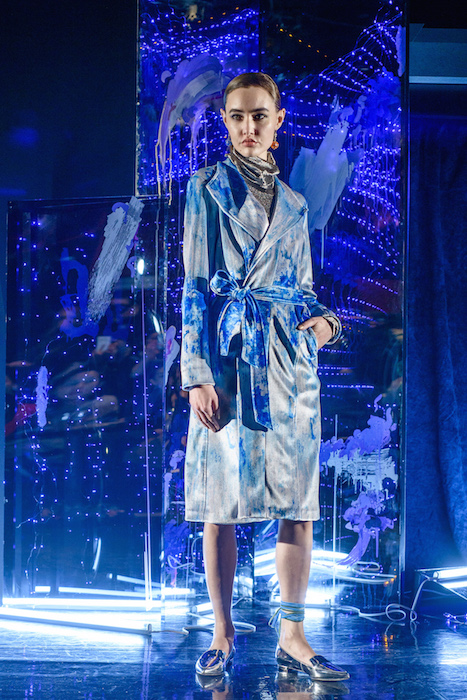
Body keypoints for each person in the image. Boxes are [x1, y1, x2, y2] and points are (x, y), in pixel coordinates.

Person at [181, 72, 349, 682]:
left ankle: (293, 636)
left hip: (287, 364)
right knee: (219, 505)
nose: (248, 127)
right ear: (225, 122)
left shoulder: (297, 205)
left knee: (298, 504)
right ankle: (222, 633)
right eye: (237, 116)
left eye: (259, 115)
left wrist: (325, 324)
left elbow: (302, 288)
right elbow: (194, 286)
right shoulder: (204, 189)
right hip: (229, 361)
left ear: (277, 121)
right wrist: (197, 374)